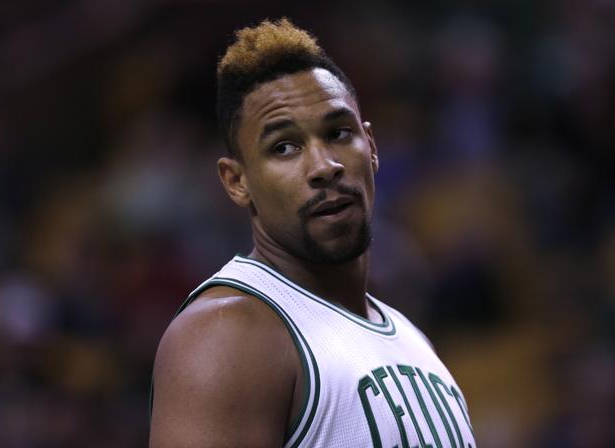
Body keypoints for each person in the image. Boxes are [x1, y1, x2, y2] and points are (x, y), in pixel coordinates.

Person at [149, 18, 476, 448]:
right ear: (236, 181)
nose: (324, 166)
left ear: (372, 148)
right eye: (284, 147)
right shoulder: (228, 335)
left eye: (338, 134)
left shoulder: (413, 340)